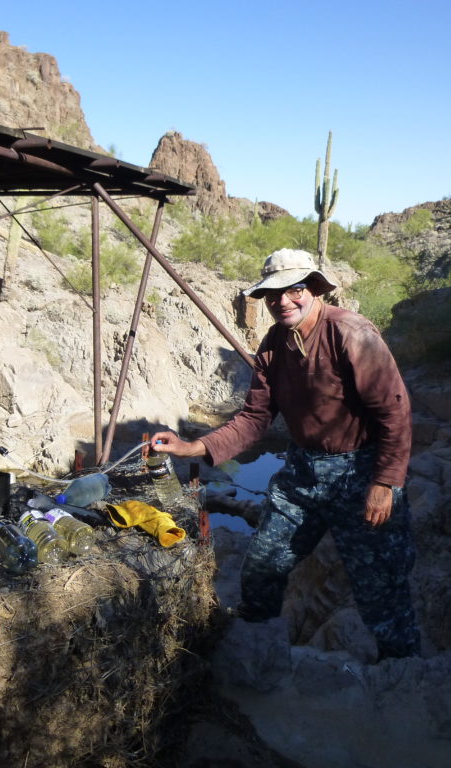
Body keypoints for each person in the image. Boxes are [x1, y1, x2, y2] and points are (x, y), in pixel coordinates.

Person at [151, 248, 421, 659]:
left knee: (380, 585)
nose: (282, 301)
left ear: (313, 288)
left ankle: (404, 670)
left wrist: (385, 482)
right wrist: (195, 446)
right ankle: (258, 652)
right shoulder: (274, 345)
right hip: (302, 472)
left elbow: (394, 410)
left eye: (292, 290)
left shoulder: (351, 333)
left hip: (360, 470)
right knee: (262, 566)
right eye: (272, 294)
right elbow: (255, 418)